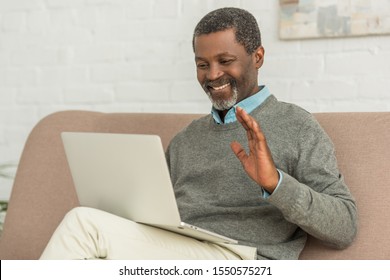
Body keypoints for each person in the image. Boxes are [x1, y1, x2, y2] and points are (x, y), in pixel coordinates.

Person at [40, 7, 357, 260]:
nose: (213, 75)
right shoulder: (186, 138)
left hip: (243, 258)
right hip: (175, 249)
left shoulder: (296, 125)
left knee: (83, 225)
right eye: (202, 64)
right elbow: (154, 212)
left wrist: (275, 183)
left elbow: (344, 226)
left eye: (225, 61)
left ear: (257, 57)